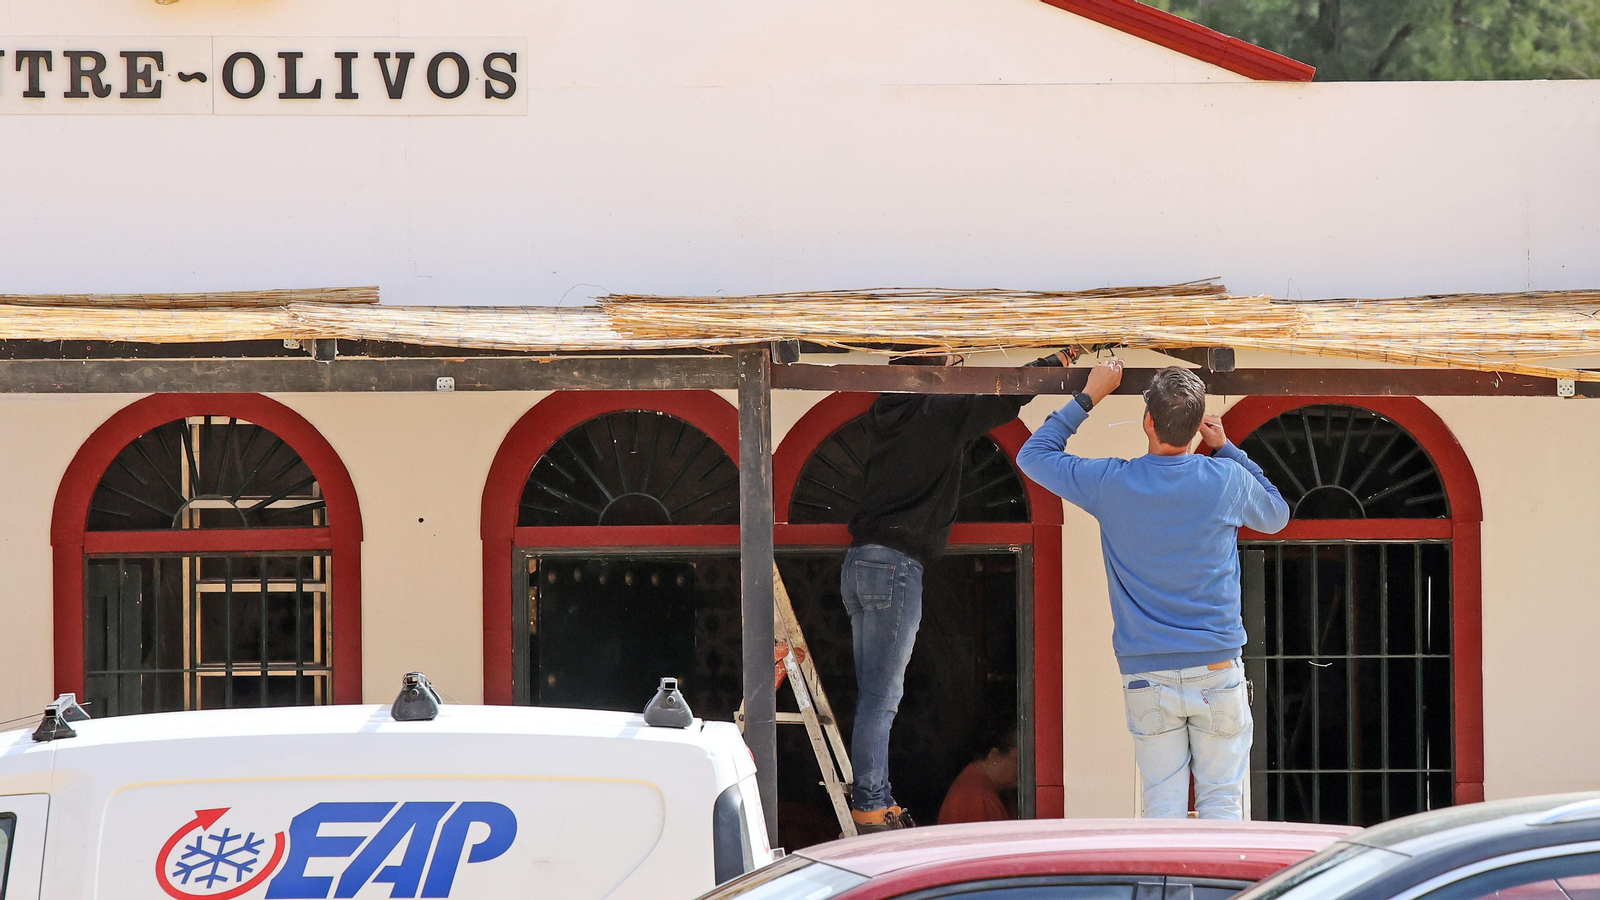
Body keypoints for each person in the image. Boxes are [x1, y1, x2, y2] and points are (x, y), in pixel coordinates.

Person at [1016, 359, 1289, 819]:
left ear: (1148, 420)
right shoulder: (1225, 480)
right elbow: (1276, 516)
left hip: (1147, 674)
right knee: (1221, 802)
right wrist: (1227, 449)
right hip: (1216, 666)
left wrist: (1089, 396)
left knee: (1161, 808)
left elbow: (1033, 455)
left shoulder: (1111, 482)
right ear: (1197, 426)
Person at [844, 348, 1072, 834]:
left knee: (872, 696)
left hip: (860, 562)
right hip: (896, 566)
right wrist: (1062, 357)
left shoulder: (885, 411)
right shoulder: (936, 412)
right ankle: (871, 800)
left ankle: (871, 793)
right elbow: (1007, 388)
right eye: (954, 361)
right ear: (935, 367)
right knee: (882, 698)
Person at [937, 721, 1019, 825]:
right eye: (1018, 760)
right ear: (994, 756)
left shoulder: (1001, 792)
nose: (1023, 769)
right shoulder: (978, 798)